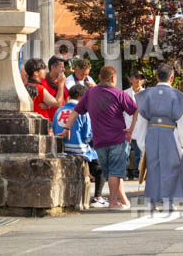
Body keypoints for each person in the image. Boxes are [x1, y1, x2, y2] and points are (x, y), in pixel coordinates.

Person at [59, 65, 137, 210]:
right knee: (116, 172)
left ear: (100, 77)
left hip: (99, 141)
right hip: (117, 138)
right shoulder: (119, 94)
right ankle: (113, 202)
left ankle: (124, 201)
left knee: (112, 172)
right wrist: (131, 129)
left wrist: (67, 127)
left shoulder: (90, 93)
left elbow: (76, 110)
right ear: (112, 78)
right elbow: (135, 110)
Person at [134, 63, 183, 209]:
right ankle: (168, 201)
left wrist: (141, 142)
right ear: (172, 78)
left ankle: (151, 201)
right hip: (170, 133)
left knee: (153, 167)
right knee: (171, 167)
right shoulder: (179, 97)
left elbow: (141, 120)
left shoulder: (146, 94)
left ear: (157, 77)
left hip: (152, 132)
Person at [53, 84, 103, 208]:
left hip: (60, 147)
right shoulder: (82, 111)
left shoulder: (58, 110)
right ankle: (98, 197)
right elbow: (88, 135)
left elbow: (54, 129)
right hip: (78, 148)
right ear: (82, 97)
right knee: (101, 167)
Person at [24, 58, 63, 124]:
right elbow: (57, 103)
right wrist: (61, 84)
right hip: (41, 123)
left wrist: (48, 106)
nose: (45, 71)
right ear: (36, 73)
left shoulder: (25, 85)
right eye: (43, 69)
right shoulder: (39, 88)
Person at [123, 69, 146, 181]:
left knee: (140, 153)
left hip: (140, 128)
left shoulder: (146, 94)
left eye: (141, 78)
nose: (139, 80)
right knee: (124, 152)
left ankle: (138, 173)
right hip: (127, 127)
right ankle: (123, 173)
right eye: (137, 78)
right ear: (131, 79)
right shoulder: (124, 93)